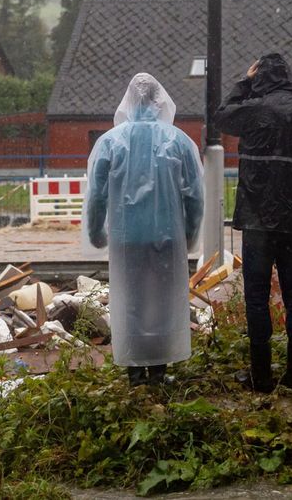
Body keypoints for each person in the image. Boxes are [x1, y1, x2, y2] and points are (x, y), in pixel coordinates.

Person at [214, 53, 292, 393]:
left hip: (257, 223)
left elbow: (221, 117)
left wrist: (244, 80)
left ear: (260, 79)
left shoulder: (253, 112)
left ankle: (261, 377)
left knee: (256, 297)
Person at [84, 73, 205, 386]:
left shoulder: (111, 142)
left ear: (129, 101)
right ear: (158, 101)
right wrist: (190, 236)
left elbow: (97, 195)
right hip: (168, 237)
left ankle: (135, 372)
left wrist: (96, 233)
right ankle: (159, 370)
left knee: (131, 301)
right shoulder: (179, 142)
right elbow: (195, 196)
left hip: (127, 239)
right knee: (164, 302)